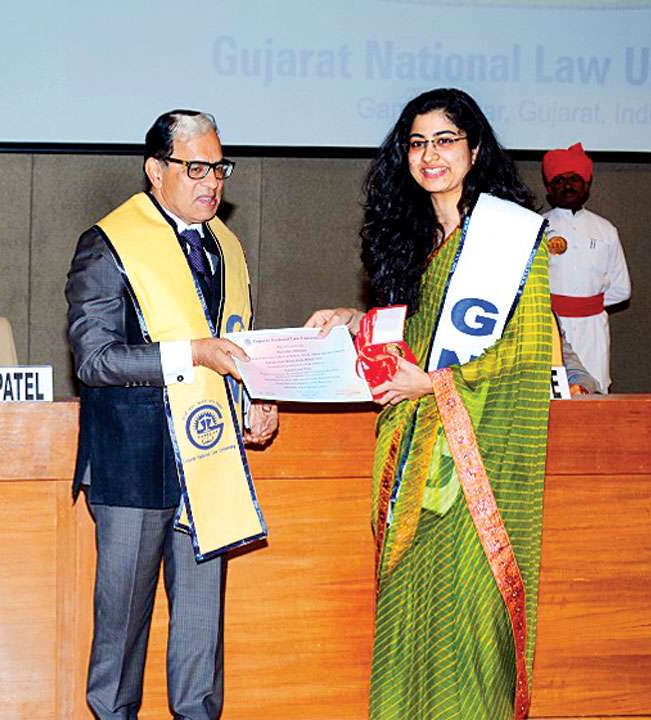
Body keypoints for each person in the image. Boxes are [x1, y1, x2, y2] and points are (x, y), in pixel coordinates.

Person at [308, 88, 551, 719]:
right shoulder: (416, 239)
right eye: (417, 142)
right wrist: (355, 321)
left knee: (467, 622)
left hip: (477, 475)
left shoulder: (509, 240)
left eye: (445, 140)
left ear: (474, 149)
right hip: (418, 470)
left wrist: (436, 386)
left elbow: (522, 361)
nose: (430, 155)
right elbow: (413, 340)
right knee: (414, 617)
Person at [65, 109, 278, 720]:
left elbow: (237, 342)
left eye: (219, 168)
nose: (212, 182)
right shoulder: (107, 245)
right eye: (195, 168)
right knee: (122, 631)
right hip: (133, 463)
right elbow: (96, 359)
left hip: (209, 459)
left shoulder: (226, 247)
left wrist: (255, 394)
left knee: (201, 631)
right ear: (155, 171)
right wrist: (193, 353)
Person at [542, 142, 631, 391]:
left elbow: (622, 289)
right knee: (551, 396)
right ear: (549, 188)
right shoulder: (535, 227)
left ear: (587, 185)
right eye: (559, 180)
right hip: (548, 328)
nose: (568, 185)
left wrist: (584, 307)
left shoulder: (606, 230)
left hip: (592, 329)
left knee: (594, 394)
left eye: (574, 179)